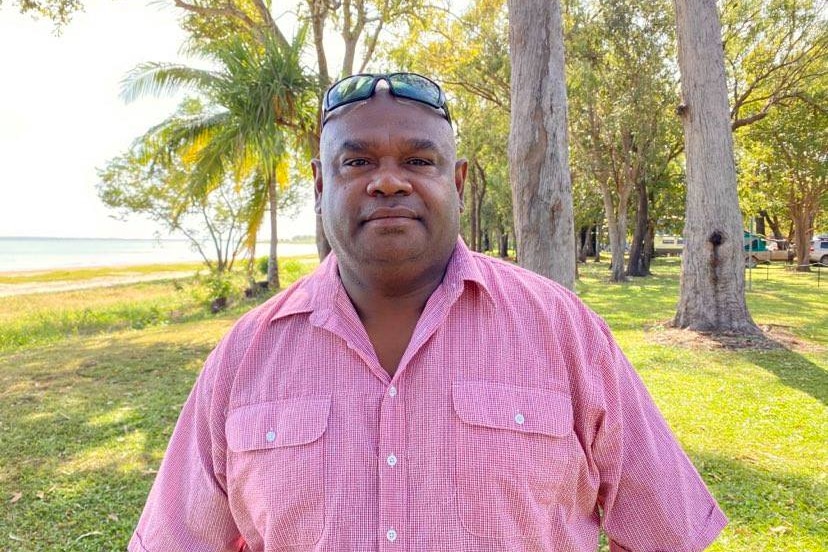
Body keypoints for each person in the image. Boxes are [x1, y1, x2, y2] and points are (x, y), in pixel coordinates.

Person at [128, 73, 727, 552]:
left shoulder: (562, 328)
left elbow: (666, 528)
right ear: (317, 185)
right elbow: (177, 539)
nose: (388, 182)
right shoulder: (246, 352)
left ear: (458, 181)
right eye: (357, 162)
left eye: (418, 161)